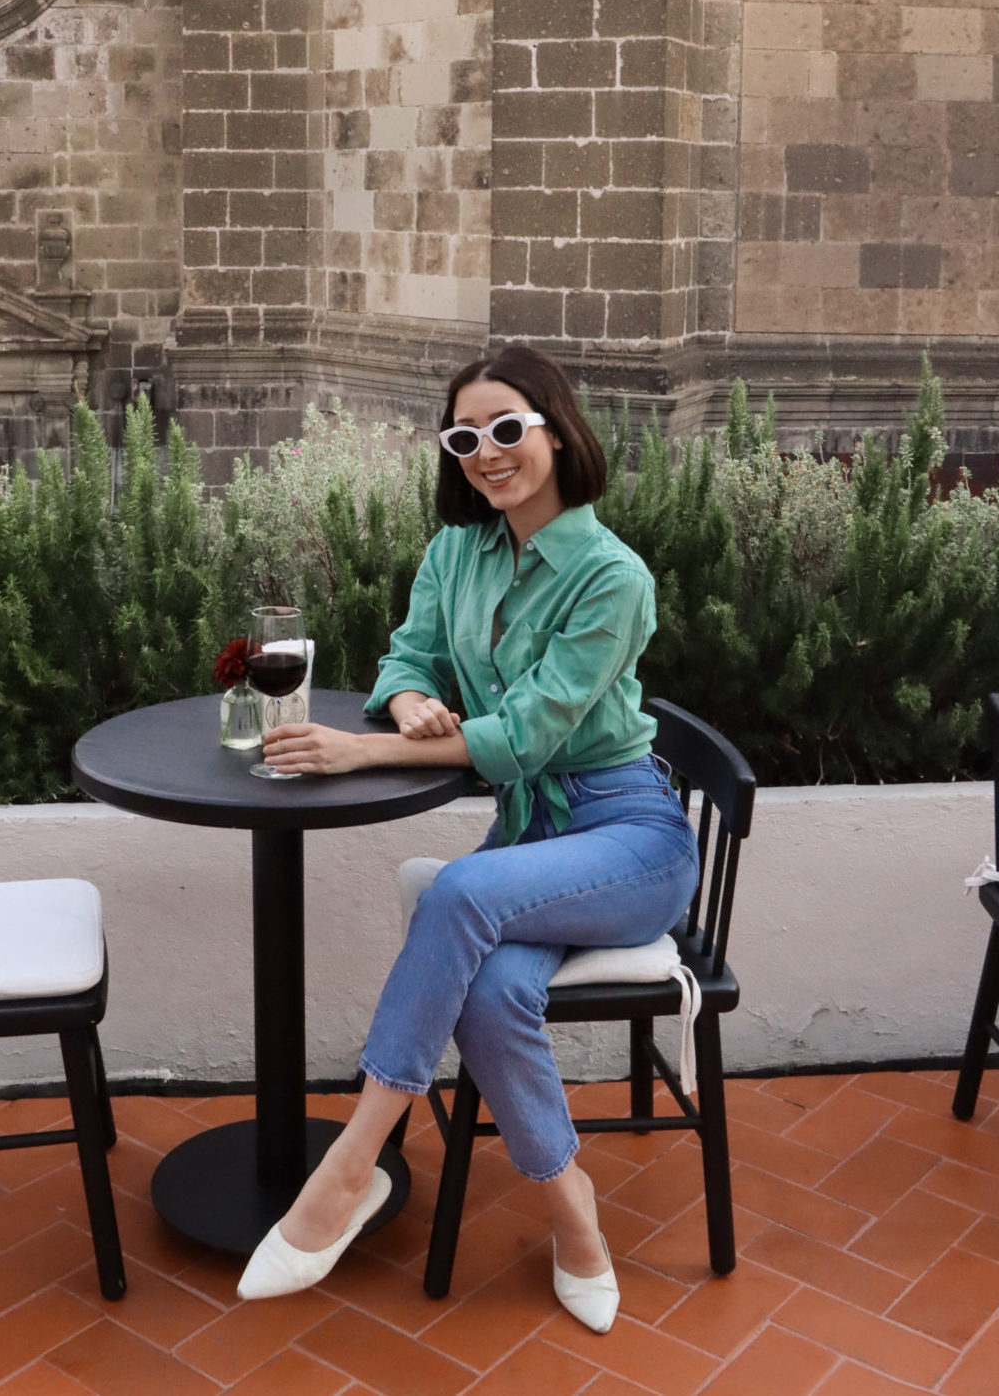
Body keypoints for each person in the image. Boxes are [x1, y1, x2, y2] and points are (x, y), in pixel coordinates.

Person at [236, 344, 699, 1333]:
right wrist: (406, 702)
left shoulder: (610, 576)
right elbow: (408, 655)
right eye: (463, 437)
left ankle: (349, 1165)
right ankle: (575, 1217)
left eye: (504, 429)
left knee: (455, 891)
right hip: (531, 842)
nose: (485, 454)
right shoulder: (457, 552)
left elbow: (525, 735)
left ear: (555, 429)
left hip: (628, 837)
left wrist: (362, 753)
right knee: (490, 989)